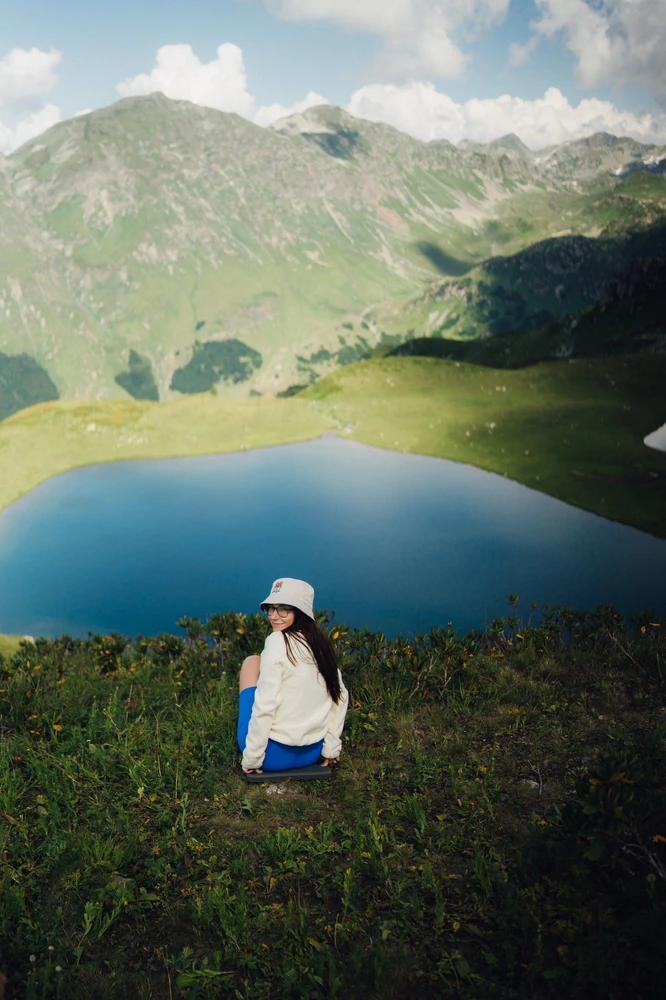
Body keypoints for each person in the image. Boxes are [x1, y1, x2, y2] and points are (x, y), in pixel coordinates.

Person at [237, 578, 349, 774]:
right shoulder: (321, 645)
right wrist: (330, 749)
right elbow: (340, 696)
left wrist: (253, 758)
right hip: (312, 753)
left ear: (300, 613)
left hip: (272, 756)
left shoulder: (277, 641)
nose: (273, 616)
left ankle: (256, 748)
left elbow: (266, 704)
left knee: (251, 663)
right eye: (271, 609)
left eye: (283, 609)